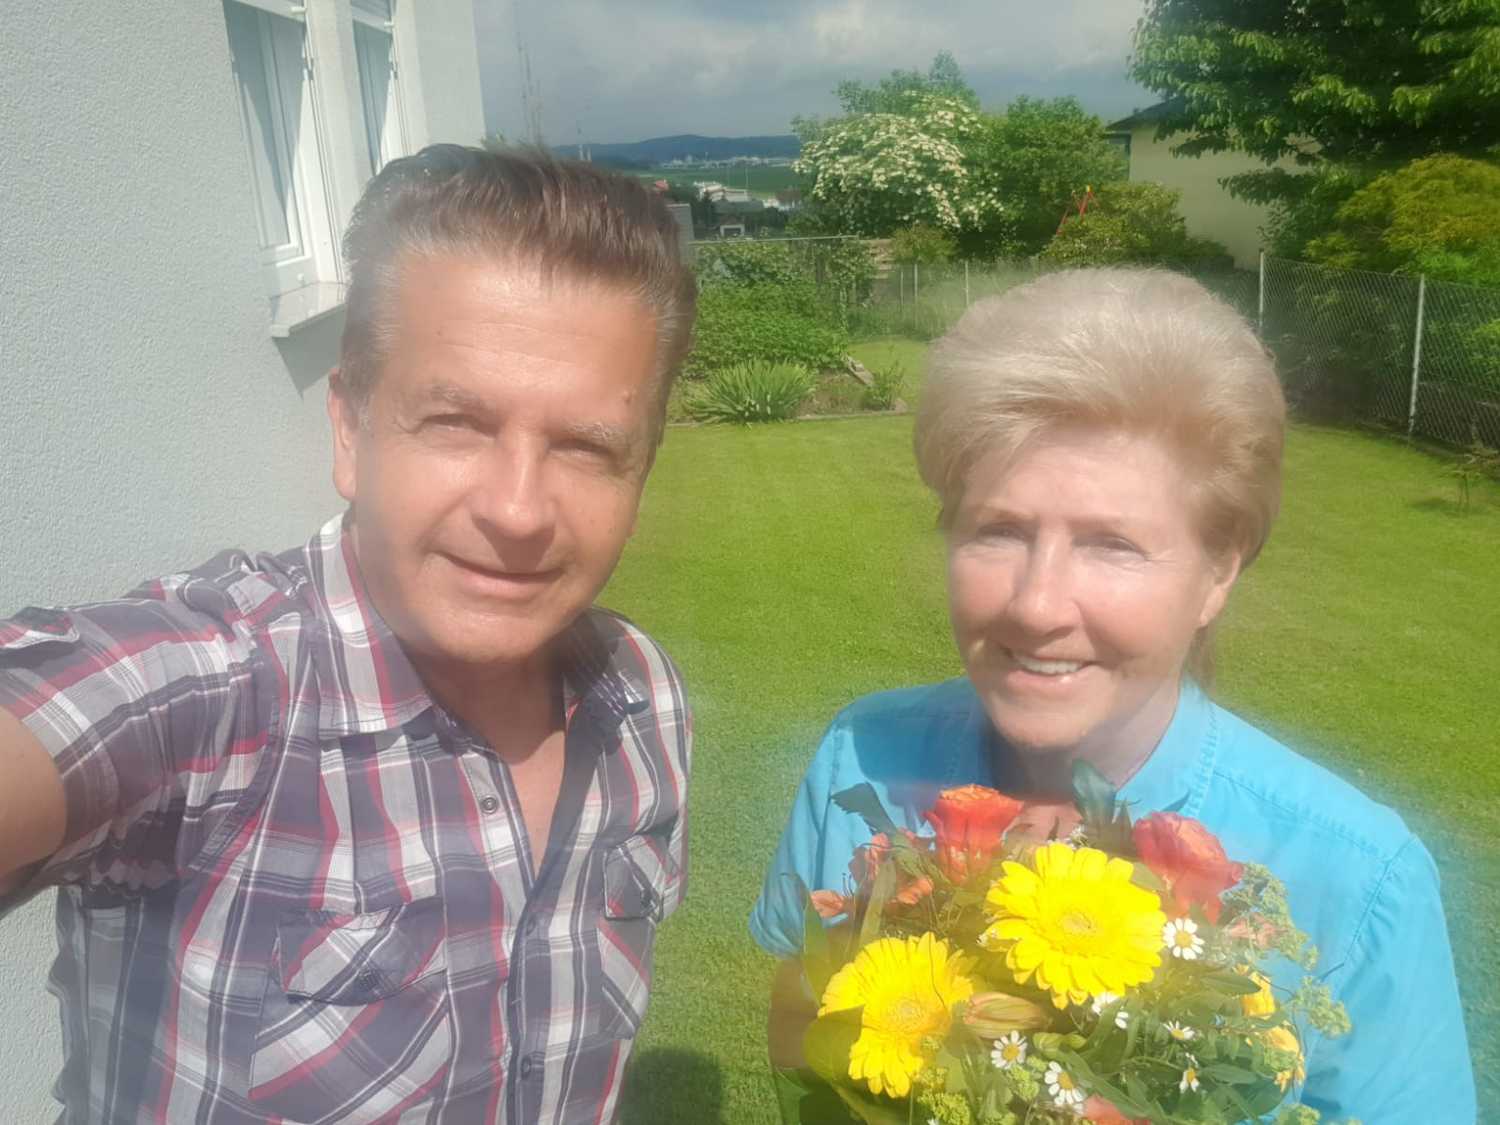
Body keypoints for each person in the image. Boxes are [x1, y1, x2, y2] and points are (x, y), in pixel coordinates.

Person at [0, 146, 695, 1124]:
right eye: (455, 421)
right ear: (348, 429)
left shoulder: (643, 700)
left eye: (586, 447)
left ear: (643, 469)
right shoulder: (214, 691)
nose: (519, 510)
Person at [749, 269, 1476, 1122]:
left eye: (1112, 544)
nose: (1037, 605)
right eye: (998, 530)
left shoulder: (1359, 876)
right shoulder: (861, 759)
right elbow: (800, 1028)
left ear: (1218, 570)